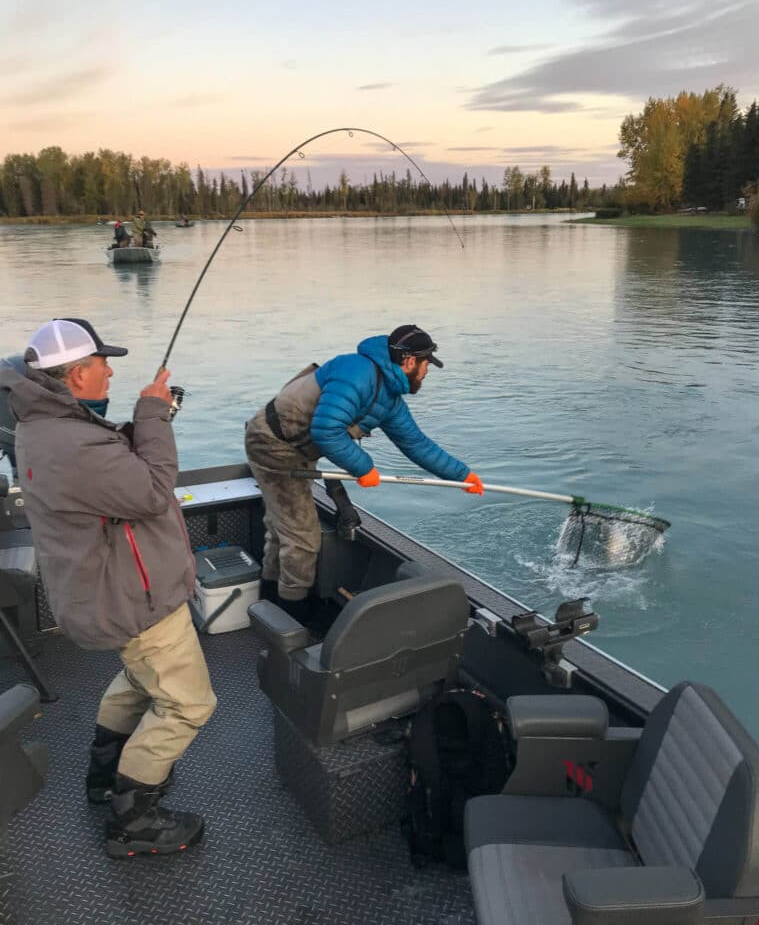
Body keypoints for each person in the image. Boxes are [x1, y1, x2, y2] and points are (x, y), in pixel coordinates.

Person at [0, 318, 216, 858]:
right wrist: (153, 415)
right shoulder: (70, 442)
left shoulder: (45, 425)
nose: (110, 370)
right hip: (134, 599)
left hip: (106, 593)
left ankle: (105, 775)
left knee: (140, 679)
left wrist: (139, 422)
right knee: (190, 704)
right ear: (76, 375)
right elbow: (150, 492)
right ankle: (134, 818)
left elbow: (110, 474)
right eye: (101, 363)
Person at [245, 325, 484, 623]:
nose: (426, 373)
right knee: (303, 538)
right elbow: (326, 430)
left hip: (296, 449)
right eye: (425, 364)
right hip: (272, 444)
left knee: (285, 528)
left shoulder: (389, 397)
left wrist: (462, 476)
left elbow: (416, 444)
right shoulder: (356, 373)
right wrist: (364, 467)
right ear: (409, 361)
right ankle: (292, 614)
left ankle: (269, 598)